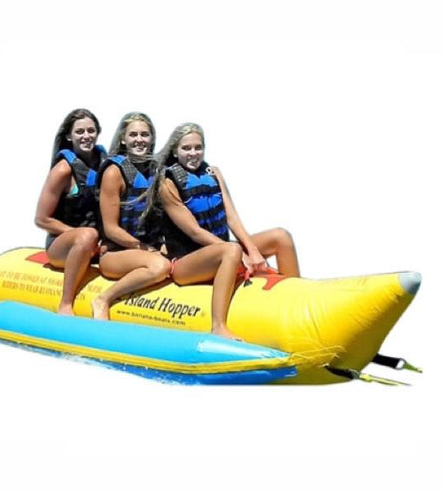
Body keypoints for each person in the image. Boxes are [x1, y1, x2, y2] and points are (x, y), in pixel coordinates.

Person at [141, 123, 300, 339]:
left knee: (280, 237)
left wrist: (252, 250)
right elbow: (195, 232)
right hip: (186, 264)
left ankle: (296, 299)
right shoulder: (168, 183)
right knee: (231, 251)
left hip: (218, 250)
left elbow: (231, 217)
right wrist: (237, 252)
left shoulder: (213, 173)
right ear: (175, 151)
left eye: (198, 147)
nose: (193, 153)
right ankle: (218, 325)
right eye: (186, 148)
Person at [91, 112, 170, 320]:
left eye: (145, 135)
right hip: (115, 253)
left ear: (152, 138)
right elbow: (111, 229)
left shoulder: (156, 171)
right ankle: (104, 299)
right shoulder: (114, 172)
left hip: (146, 247)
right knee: (160, 266)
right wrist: (147, 249)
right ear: (123, 139)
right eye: (133, 135)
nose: (139, 140)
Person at [35, 108, 106, 315]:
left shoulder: (105, 163)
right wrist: (82, 238)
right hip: (63, 246)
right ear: (69, 136)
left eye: (91, 131)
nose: (86, 136)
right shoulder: (63, 170)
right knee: (88, 234)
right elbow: (42, 219)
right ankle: (65, 303)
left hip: (96, 244)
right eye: (80, 132)